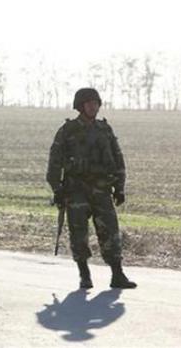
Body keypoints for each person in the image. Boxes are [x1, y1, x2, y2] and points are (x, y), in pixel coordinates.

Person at [46, 88, 137, 289]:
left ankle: (117, 274)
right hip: (76, 191)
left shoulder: (104, 130)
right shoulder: (67, 130)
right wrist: (57, 190)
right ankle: (84, 274)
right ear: (80, 106)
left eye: (95, 103)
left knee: (111, 232)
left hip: (102, 190)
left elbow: (118, 158)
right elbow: (54, 162)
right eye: (89, 103)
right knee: (79, 234)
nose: (93, 106)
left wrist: (119, 187)